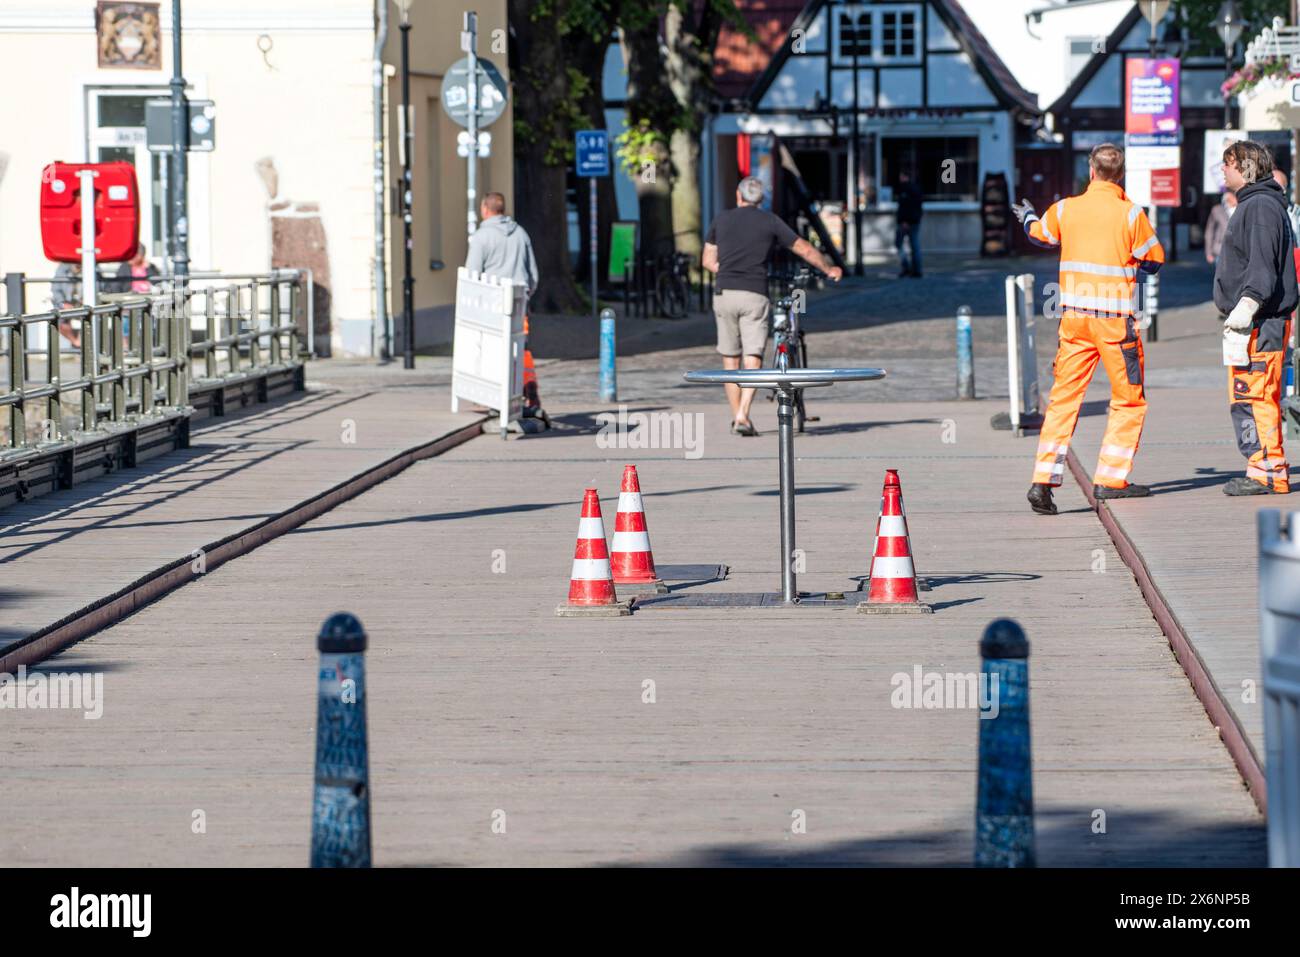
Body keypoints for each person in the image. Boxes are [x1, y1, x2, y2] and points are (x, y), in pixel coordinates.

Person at [1012, 142, 1165, 515]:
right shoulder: (1131, 215)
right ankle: (1111, 479)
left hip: (1074, 319)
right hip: (1114, 323)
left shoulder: (1066, 208)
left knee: (1063, 400)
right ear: (1120, 174)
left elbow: (1039, 235)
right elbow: (1154, 260)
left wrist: (1028, 217)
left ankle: (1043, 481)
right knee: (1128, 398)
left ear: (1091, 171)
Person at [701, 175, 843, 436]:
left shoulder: (721, 220)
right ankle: (744, 413)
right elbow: (803, 248)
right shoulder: (770, 221)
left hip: (724, 293)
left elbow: (708, 261)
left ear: (738, 195)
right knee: (752, 355)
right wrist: (829, 268)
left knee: (730, 359)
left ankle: (737, 417)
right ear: (761, 200)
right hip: (755, 293)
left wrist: (730, 269)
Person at [1213, 140, 1298, 495]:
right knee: (1249, 395)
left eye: (1227, 164)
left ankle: (1269, 471)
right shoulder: (1257, 203)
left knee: (1259, 396)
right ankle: (1260, 467)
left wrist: (1247, 305)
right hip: (1254, 321)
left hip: (1260, 322)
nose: (1223, 171)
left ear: (1245, 168)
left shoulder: (1260, 206)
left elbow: (1261, 265)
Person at [465, 191, 543, 414]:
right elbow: (533, 274)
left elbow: (473, 274)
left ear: (485, 209)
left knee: (492, 348)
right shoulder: (520, 233)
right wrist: (527, 294)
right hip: (519, 302)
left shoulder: (482, 237)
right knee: (522, 347)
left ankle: (494, 396)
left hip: (492, 304)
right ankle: (529, 390)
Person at [895, 170, 924, 278]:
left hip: (908, 221)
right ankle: (915, 269)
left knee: (900, 243)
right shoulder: (915, 188)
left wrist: (905, 221)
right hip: (914, 221)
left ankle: (908, 267)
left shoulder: (906, 189)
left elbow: (907, 207)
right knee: (914, 245)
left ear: (904, 177)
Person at [49, 261, 82, 349]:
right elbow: (55, 289)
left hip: (83, 305)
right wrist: (63, 303)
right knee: (60, 322)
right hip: (66, 304)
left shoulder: (91, 266)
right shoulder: (63, 268)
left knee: (90, 317)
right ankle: (77, 343)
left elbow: (100, 286)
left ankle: (79, 343)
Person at [1205, 191, 1237, 264]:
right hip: (1220, 249)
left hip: (1238, 250)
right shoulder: (1217, 210)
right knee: (1221, 274)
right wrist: (1209, 252)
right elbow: (1209, 232)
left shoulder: (1241, 209)